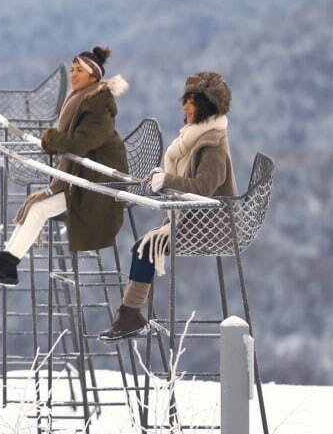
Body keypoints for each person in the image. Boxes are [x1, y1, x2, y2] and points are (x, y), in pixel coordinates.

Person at [0, 46, 130, 287]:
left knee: (38, 210)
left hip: (97, 187)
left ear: (94, 76)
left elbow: (79, 145)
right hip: (81, 179)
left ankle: (6, 266)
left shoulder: (98, 106)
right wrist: (52, 180)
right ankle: (4, 264)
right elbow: (72, 150)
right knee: (37, 206)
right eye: (73, 69)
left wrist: (51, 138)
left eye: (80, 70)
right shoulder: (82, 99)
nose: (74, 74)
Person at [99, 71, 235, 341]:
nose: (185, 106)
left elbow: (203, 188)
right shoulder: (193, 137)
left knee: (146, 247)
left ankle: (130, 316)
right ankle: (130, 315)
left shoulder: (213, 144)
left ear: (207, 106)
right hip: (193, 221)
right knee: (143, 246)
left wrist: (169, 180)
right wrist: (161, 181)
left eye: (192, 101)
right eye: (186, 99)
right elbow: (187, 184)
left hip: (212, 226)